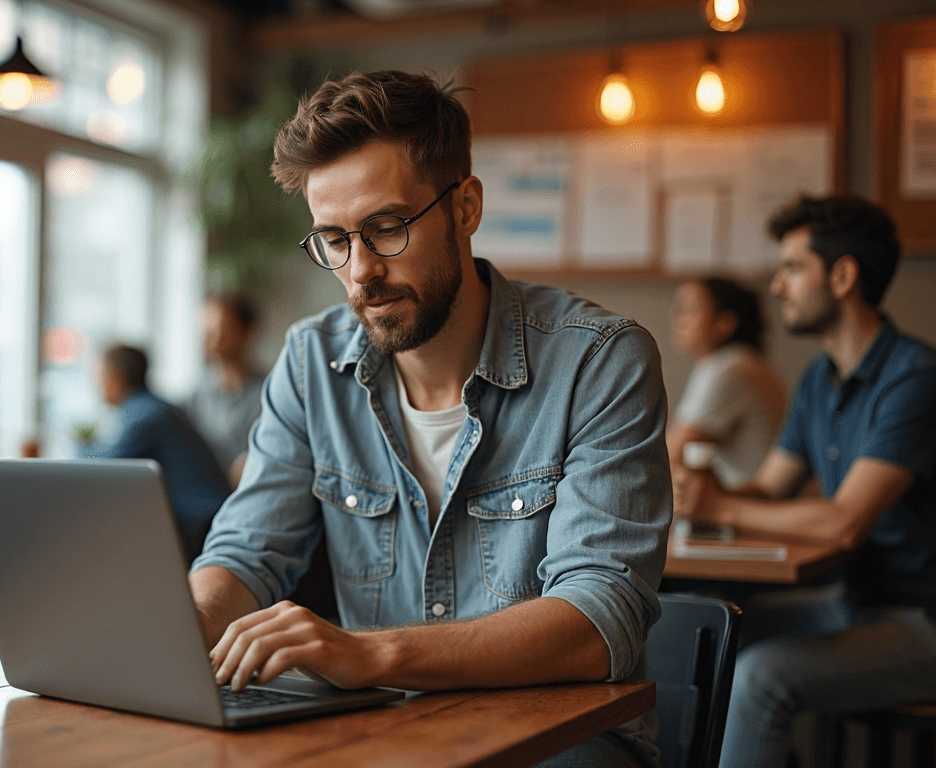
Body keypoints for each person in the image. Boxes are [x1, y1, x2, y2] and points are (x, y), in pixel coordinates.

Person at [189, 70, 670, 768]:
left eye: (386, 229)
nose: (360, 273)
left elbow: (598, 621)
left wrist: (371, 653)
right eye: (334, 240)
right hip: (381, 733)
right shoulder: (309, 363)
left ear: (465, 206)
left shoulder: (600, 360)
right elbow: (242, 554)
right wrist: (179, 631)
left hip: (564, 738)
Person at [674, 194, 936, 768]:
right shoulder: (818, 380)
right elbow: (769, 489)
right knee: (710, 635)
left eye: (793, 268)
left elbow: (845, 521)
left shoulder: (915, 377)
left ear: (844, 275)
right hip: (860, 606)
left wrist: (721, 507)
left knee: (758, 678)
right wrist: (706, 492)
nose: (777, 286)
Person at [89, 343, 232, 562]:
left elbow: (99, 468)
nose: (95, 384)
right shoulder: (150, 408)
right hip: (201, 521)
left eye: (99, 375)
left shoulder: (145, 415)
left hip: (201, 526)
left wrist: (73, 446)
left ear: (115, 377)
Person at [668, 277, 787, 490]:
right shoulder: (743, 362)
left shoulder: (727, 368)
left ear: (724, 323)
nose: (677, 317)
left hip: (752, 506)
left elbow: (667, 458)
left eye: (689, 309)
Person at [184, 292, 266, 486]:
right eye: (204, 329)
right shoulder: (195, 396)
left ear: (245, 331)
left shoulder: (270, 393)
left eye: (219, 328)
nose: (207, 336)